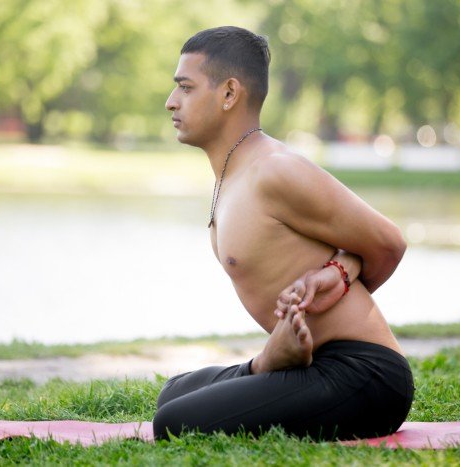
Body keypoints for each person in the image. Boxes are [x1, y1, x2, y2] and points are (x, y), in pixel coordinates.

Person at [154, 26, 413, 441]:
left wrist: (342, 274)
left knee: (174, 423)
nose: (171, 102)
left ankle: (267, 364)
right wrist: (341, 266)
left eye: (185, 87)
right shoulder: (234, 173)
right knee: (172, 396)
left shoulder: (275, 170)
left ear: (229, 93)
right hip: (315, 365)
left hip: (366, 375)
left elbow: (389, 243)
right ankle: (266, 364)